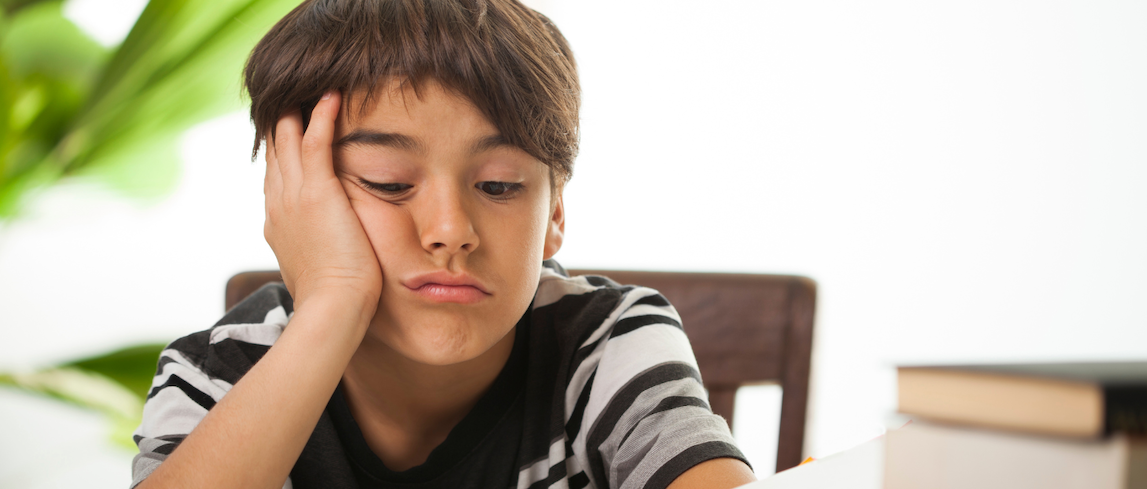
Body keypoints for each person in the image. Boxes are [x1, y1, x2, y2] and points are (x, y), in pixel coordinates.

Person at [130, 1, 757, 488]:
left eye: (498, 184)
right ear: (293, 194)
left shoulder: (606, 343)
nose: (451, 230)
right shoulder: (215, 375)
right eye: (389, 183)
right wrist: (333, 305)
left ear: (555, 207)